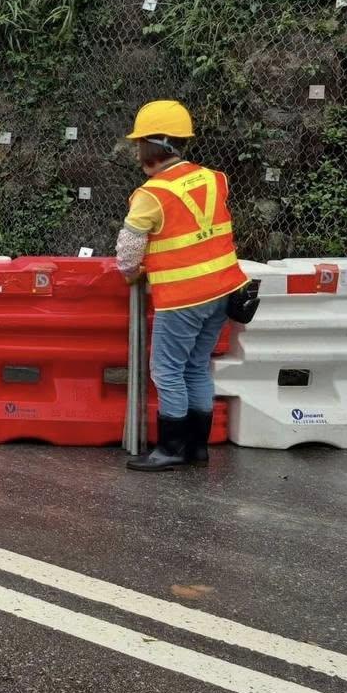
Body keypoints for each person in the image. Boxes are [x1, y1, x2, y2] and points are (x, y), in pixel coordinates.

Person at [115, 100, 249, 471]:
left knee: (168, 370)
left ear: (151, 145)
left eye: (139, 143)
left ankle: (171, 448)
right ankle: (197, 448)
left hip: (183, 298)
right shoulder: (215, 178)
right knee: (196, 366)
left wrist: (130, 272)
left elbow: (129, 248)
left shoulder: (151, 194)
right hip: (223, 293)